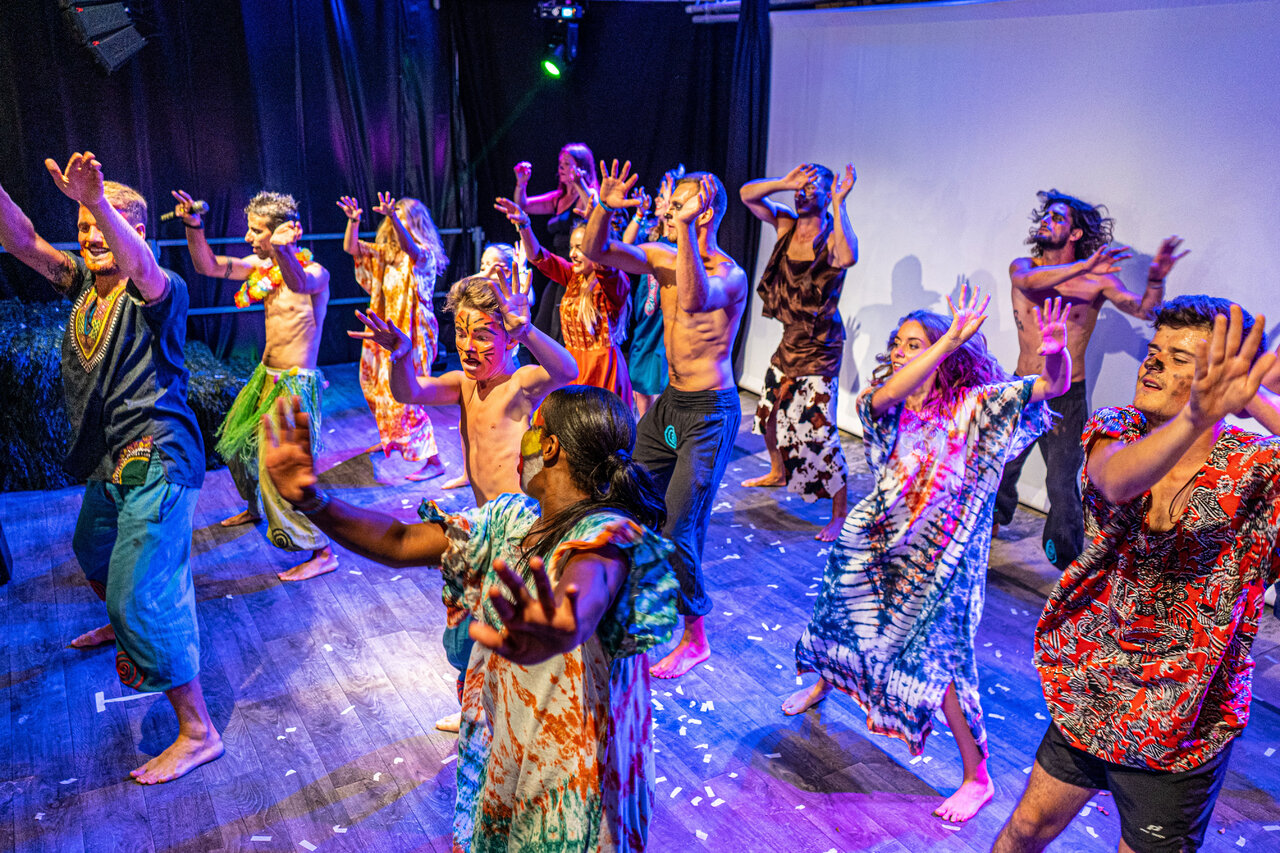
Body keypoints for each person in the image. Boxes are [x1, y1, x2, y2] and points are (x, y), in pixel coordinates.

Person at [261, 385, 677, 852]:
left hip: (574, 780)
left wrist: (562, 627)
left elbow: (586, 591)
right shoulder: (510, 522)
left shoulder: (608, 532)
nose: (521, 441)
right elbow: (400, 541)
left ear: (549, 446)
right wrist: (312, 500)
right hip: (512, 749)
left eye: (530, 430)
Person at [994, 297, 1280, 853]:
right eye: (1154, 351)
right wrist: (1197, 415)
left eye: (1179, 358)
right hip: (1094, 688)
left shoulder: (1259, 468)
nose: (1154, 363)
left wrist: (1255, 398)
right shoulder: (1116, 427)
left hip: (1184, 720)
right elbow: (1116, 481)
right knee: (1026, 829)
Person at [784, 284, 1071, 823]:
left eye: (913, 345)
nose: (899, 351)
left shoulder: (976, 407)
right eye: (898, 343)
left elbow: (1050, 386)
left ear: (947, 354)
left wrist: (1054, 353)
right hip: (877, 541)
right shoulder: (885, 405)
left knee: (943, 664)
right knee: (841, 620)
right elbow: (885, 396)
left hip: (943, 564)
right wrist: (945, 342)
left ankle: (977, 777)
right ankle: (826, 681)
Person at [0, 153, 222, 783]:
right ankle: (127, 623)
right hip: (111, 459)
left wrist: (96, 200)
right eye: (84, 225)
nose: (92, 235)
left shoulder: (160, 287)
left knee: (138, 596)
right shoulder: (82, 285)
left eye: (104, 224)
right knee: (92, 547)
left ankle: (198, 732)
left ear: (136, 231)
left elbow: (142, 269)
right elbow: (21, 241)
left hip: (160, 457)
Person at [352, 270, 578, 732]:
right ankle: (476, 705)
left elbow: (567, 372)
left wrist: (527, 332)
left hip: (520, 531)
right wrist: (400, 354)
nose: (468, 346)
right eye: (460, 332)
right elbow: (408, 391)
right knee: (468, 629)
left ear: (508, 338)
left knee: (508, 626)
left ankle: (516, 716)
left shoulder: (520, 384)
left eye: (483, 335)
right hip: (480, 527)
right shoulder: (461, 384)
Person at [583, 161, 748, 678]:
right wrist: (603, 206)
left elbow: (696, 300)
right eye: (672, 204)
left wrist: (686, 228)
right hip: (671, 408)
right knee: (621, 494)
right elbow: (596, 251)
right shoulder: (662, 256)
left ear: (706, 212)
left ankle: (695, 637)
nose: (669, 210)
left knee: (679, 527)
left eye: (680, 204)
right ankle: (623, 605)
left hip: (709, 414)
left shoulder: (729, 274)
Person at [994, 189, 1181, 569]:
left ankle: (1065, 563)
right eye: (1046, 216)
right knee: (1001, 463)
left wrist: (1155, 280)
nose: (1046, 221)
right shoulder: (1023, 266)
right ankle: (990, 527)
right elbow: (1029, 282)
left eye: (1057, 218)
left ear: (1075, 233)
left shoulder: (1097, 280)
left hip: (1066, 393)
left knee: (1062, 481)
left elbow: (1145, 311)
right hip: (1023, 388)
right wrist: (1084, 267)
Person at [172, 188, 337, 581]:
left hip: (294, 384)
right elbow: (208, 265)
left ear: (286, 232)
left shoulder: (316, 274)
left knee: (283, 468)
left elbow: (298, 282)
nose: (248, 237)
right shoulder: (260, 269)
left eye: (257, 231)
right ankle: (255, 506)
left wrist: (283, 249)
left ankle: (322, 550)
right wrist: (193, 225)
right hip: (265, 375)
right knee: (236, 444)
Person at [739, 162, 859, 541]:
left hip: (820, 348)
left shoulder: (831, 236)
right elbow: (746, 195)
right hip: (790, 340)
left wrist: (840, 203)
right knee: (768, 414)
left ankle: (839, 512)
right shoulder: (786, 225)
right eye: (799, 186)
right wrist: (782, 182)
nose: (801, 192)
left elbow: (848, 257)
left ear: (827, 193)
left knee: (818, 433)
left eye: (811, 186)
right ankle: (778, 472)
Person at [338, 191, 449, 480]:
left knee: (408, 396)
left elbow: (411, 249)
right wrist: (354, 221)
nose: (393, 222)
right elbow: (351, 248)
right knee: (375, 387)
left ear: (415, 222)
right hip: (386, 333)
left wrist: (392, 217)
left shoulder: (424, 254)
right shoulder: (386, 255)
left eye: (400, 217)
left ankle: (434, 460)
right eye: (392, 218)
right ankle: (391, 437)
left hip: (414, 335)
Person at [495, 195, 633, 404]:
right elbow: (540, 258)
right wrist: (524, 225)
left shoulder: (614, 283)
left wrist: (598, 227)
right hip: (570, 364)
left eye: (581, 247)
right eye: (572, 247)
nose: (573, 254)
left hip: (601, 368)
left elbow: (607, 267)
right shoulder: (573, 277)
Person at [515, 143, 599, 342]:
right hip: (558, 265)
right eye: (561, 163)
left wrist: (579, 183)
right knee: (544, 322)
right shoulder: (559, 198)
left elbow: (595, 210)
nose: (561, 167)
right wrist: (521, 183)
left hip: (578, 265)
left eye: (567, 163)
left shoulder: (589, 193)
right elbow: (523, 205)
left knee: (559, 325)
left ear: (582, 167)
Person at [622, 167, 682, 418]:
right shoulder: (651, 235)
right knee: (639, 380)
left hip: (664, 320)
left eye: (663, 195)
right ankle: (644, 427)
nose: (657, 198)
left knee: (660, 380)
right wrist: (638, 214)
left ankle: (660, 427)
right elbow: (625, 246)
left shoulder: (678, 241)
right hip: (644, 319)